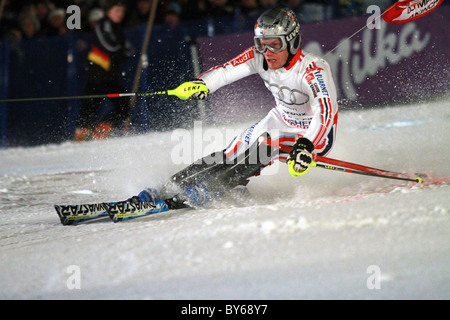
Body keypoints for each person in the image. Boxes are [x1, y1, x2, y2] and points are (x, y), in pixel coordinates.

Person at [131, 6, 339, 209]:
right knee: (233, 150)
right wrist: (203, 84)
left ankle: (216, 186)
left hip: (314, 136)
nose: (267, 52)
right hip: (281, 119)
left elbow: (326, 112)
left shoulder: (313, 69)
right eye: (261, 44)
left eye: (275, 44)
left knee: (266, 146)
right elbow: (224, 72)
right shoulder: (258, 56)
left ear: (292, 41)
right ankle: (168, 187)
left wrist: (306, 145)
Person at [75, 0, 132, 141]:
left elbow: (125, 47)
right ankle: (83, 132)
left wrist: (124, 51)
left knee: (122, 104)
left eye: (122, 12)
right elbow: (109, 46)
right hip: (98, 71)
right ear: (108, 11)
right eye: (117, 11)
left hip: (111, 73)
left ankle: (102, 128)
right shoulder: (103, 24)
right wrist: (122, 51)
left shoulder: (117, 28)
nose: (120, 14)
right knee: (93, 102)